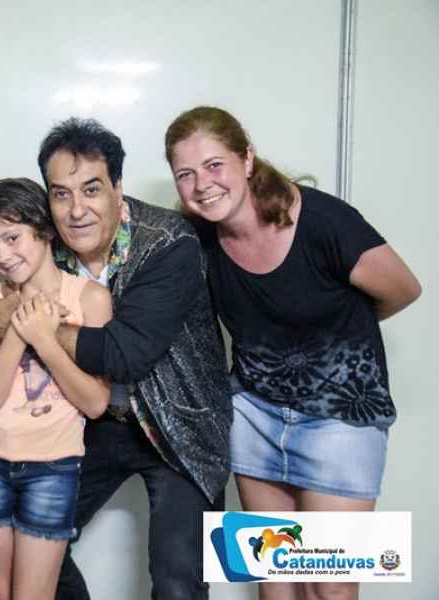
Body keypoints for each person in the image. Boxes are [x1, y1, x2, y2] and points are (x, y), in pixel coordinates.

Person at [165, 105, 421, 600]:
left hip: (340, 420)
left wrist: (336, 338)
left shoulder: (324, 221)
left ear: (247, 159)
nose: (202, 185)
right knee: (274, 581)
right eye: (185, 174)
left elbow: (402, 290)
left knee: (330, 588)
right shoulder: (198, 236)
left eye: (214, 165)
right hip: (254, 415)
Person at [0, 118, 233, 599]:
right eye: (61, 194)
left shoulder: (169, 242)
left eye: (91, 189)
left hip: (177, 426)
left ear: (117, 187)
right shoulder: (47, 244)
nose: (76, 210)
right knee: (39, 541)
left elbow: (124, 354)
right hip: (97, 420)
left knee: (178, 579)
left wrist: (21, 323)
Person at [0, 178, 112, 600]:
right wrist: (20, 326)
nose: (2, 256)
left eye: (12, 238)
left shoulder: (90, 299)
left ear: (44, 229)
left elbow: (96, 403)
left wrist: (46, 340)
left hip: (53, 468)